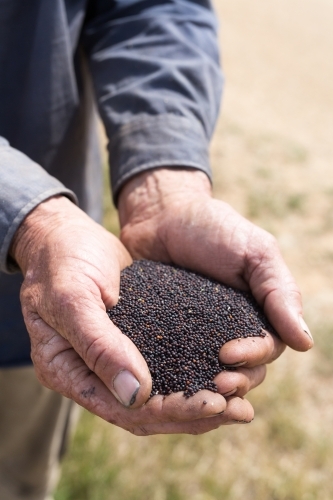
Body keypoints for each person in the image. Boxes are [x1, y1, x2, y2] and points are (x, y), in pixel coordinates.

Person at [0, 1, 313, 499]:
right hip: (50, 252)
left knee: (15, 474)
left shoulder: (79, 292)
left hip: (49, 301)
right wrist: (28, 217)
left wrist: (164, 187)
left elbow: (153, 8)